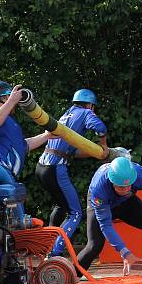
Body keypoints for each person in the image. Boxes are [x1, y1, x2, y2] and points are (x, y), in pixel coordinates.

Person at [35, 88, 108, 257]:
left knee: (61, 206)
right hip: (55, 168)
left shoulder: (67, 115)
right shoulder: (85, 113)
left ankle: (45, 246)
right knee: (75, 212)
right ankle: (54, 254)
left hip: (41, 167)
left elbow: (71, 152)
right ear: (90, 105)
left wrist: (95, 153)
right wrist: (103, 146)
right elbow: (100, 128)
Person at [0, 81, 54, 177]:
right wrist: (11, 101)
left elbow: (23, 145)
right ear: (6, 97)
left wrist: (47, 135)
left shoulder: (9, 121)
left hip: (5, 176)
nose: (16, 104)